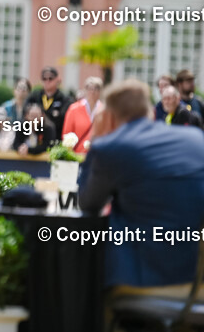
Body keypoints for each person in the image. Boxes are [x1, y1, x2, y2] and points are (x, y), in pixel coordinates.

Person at [80, 80, 204, 296]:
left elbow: (88, 203)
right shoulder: (196, 139)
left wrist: (97, 138)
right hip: (197, 280)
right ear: (149, 110)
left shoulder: (111, 148)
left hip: (141, 282)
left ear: (108, 116)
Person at [25, 66, 72, 136]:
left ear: (57, 79)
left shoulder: (64, 99)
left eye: (51, 78)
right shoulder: (34, 96)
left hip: (57, 136)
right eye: (44, 79)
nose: (47, 81)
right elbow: (25, 112)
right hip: (36, 136)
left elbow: (63, 119)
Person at [62, 77, 101, 153]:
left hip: (98, 156)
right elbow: (67, 134)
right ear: (85, 90)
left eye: (96, 88)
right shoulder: (74, 109)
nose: (92, 91)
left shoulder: (105, 110)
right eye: (89, 88)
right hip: (78, 154)